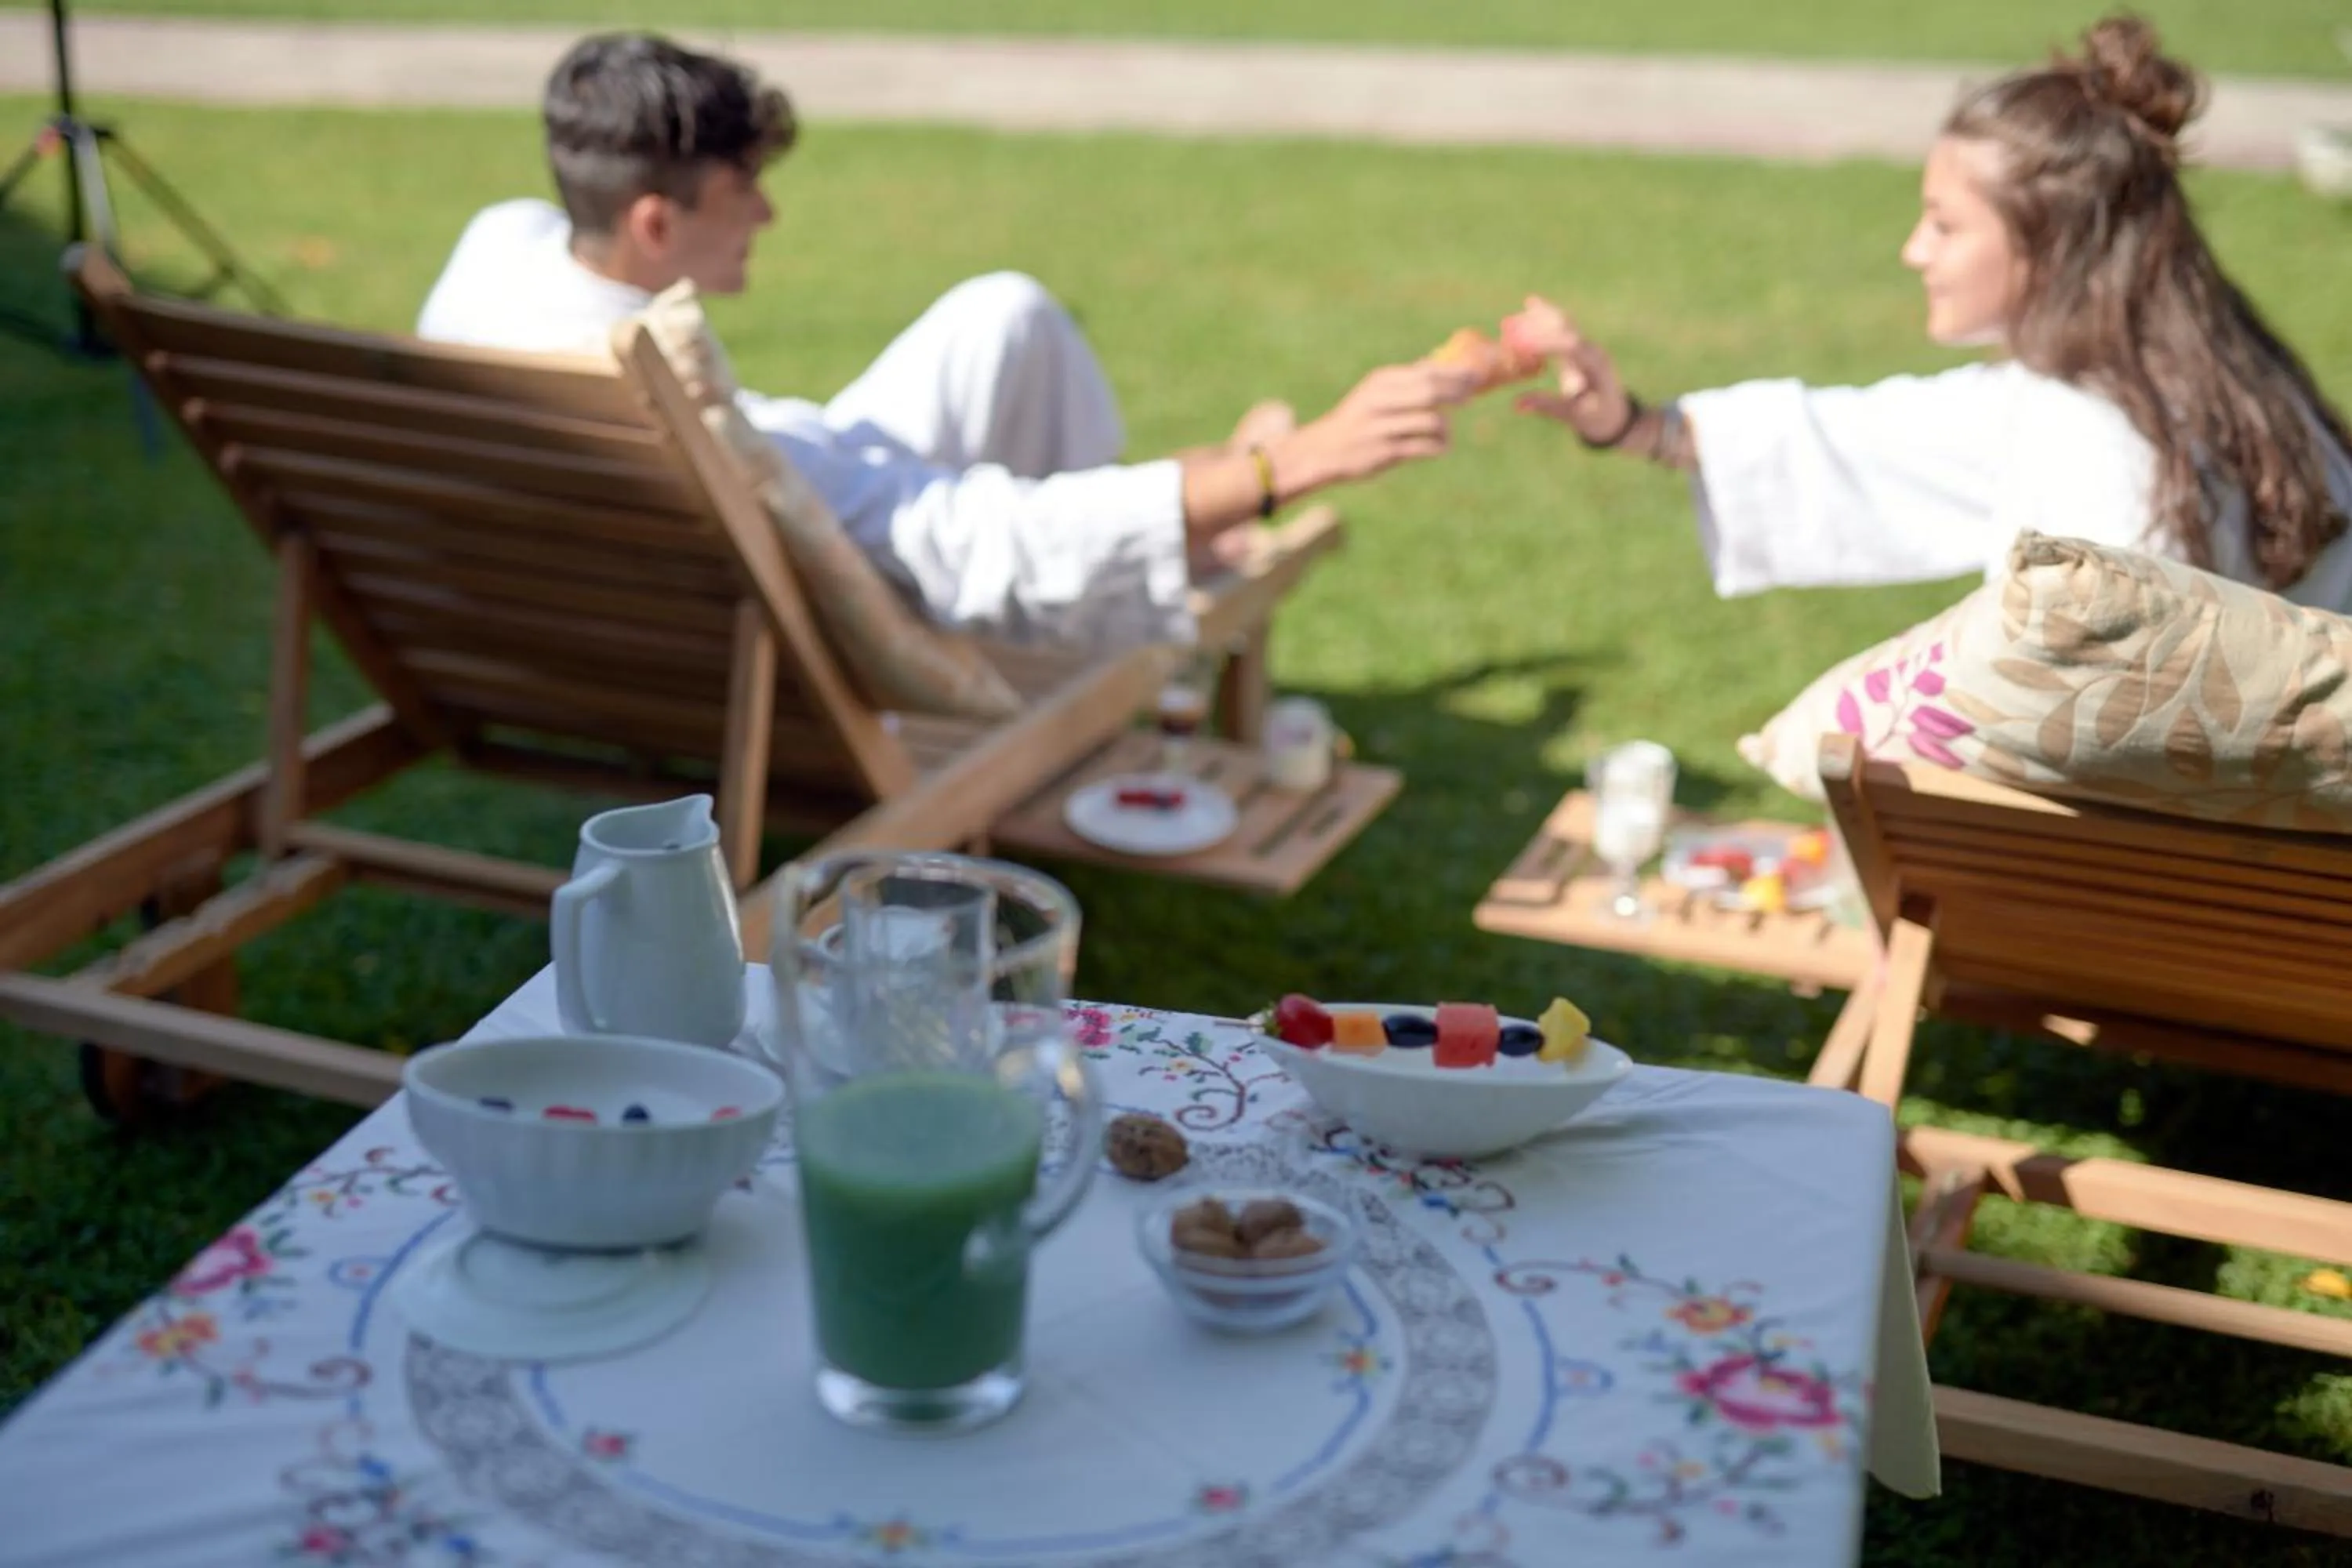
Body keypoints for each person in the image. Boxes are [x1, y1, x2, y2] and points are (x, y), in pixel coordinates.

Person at [418, 32, 1472, 649]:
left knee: (1005, 315)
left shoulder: (499, 256)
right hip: (786, 594)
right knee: (1013, 457)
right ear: (656, 223)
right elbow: (967, 539)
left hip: (626, 578)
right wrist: (1289, 467)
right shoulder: (673, 395)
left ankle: (1185, 505)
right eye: (746, 194)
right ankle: (1186, 542)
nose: (768, 220)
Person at [1502, 15, 2352, 612]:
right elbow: (1879, 435)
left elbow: (2086, 739)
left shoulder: (2102, 444)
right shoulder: (2204, 369)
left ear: (2049, 246)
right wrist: (1632, 424)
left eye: (1945, 225)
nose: (1914, 251)